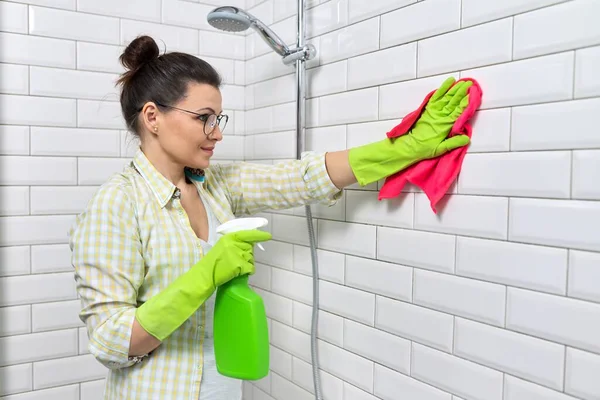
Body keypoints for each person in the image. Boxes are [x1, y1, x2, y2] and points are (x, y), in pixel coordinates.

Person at [69, 35, 472, 400]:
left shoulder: (214, 185)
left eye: (218, 119)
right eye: (204, 117)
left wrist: (400, 150)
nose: (217, 132)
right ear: (153, 117)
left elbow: (299, 178)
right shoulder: (117, 204)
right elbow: (111, 342)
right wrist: (204, 275)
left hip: (224, 387)